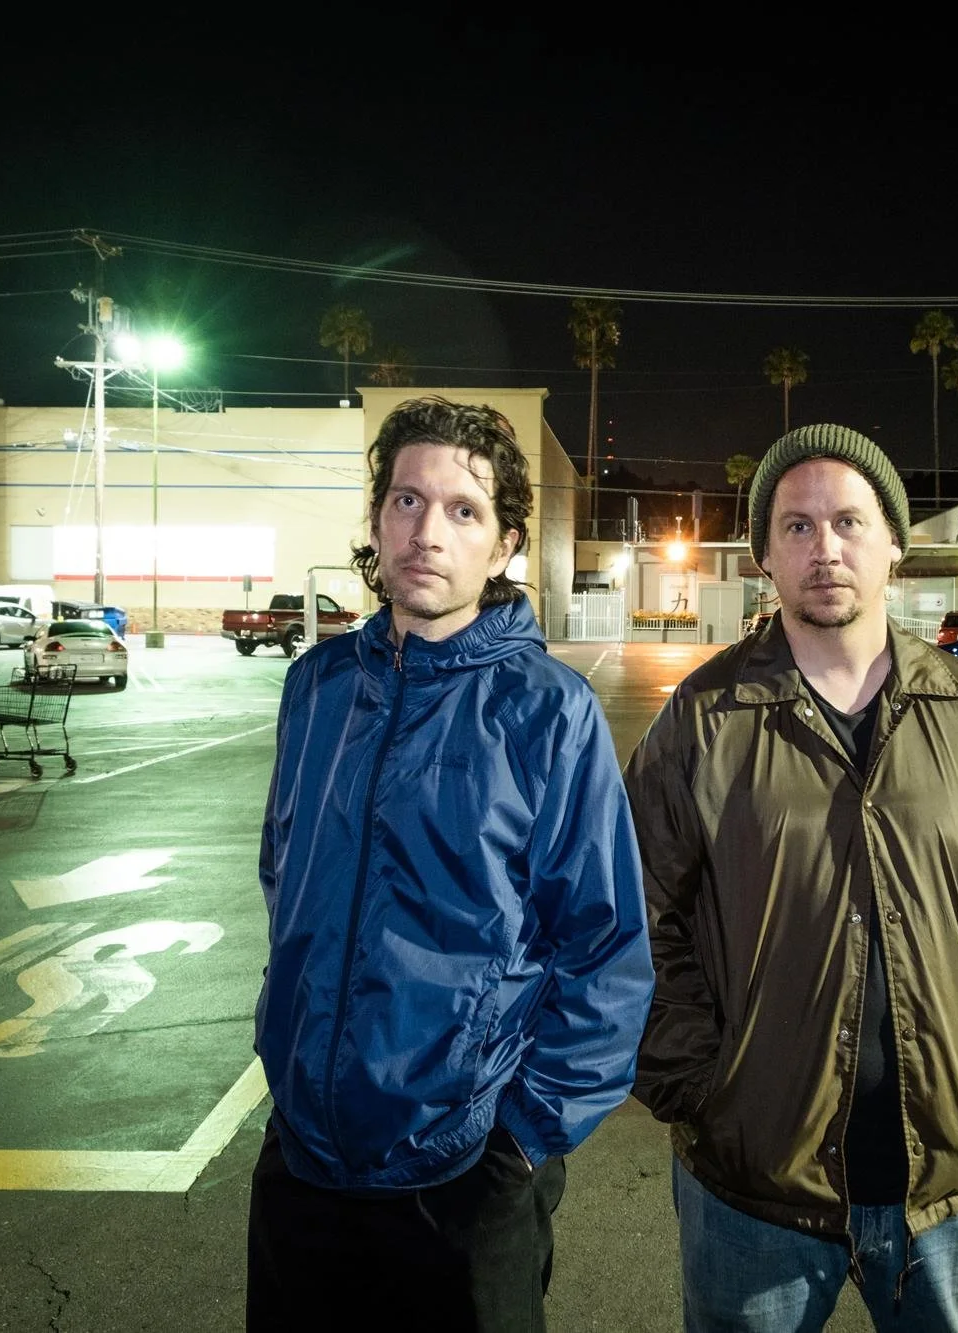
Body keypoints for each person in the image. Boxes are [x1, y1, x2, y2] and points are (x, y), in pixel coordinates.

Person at [624, 423, 958, 1332]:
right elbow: (637, 917)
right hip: (753, 1191)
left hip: (947, 1186)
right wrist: (700, 1089)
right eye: (796, 526)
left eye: (848, 521)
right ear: (764, 555)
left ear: (894, 545)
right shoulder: (704, 719)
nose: (824, 547)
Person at [249, 395, 654, 1332]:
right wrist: (289, 1053)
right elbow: (284, 876)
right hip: (304, 1160)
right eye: (407, 501)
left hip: (465, 1174)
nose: (426, 532)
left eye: (463, 510)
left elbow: (605, 948)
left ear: (504, 545)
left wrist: (520, 1138)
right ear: (377, 519)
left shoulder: (548, 710)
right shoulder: (316, 688)